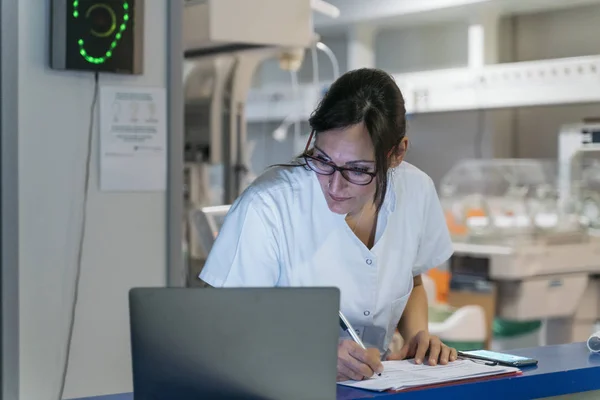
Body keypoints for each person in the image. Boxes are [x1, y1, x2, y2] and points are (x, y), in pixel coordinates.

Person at [199, 68, 458, 381]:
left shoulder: (416, 191)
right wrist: (309, 352)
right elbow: (217, 326)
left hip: (376, 385)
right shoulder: (268, 204)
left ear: (397, 153)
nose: (335, 186)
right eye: (322, 160)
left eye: (358, 170)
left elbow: (413, 281)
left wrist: (419, 336)